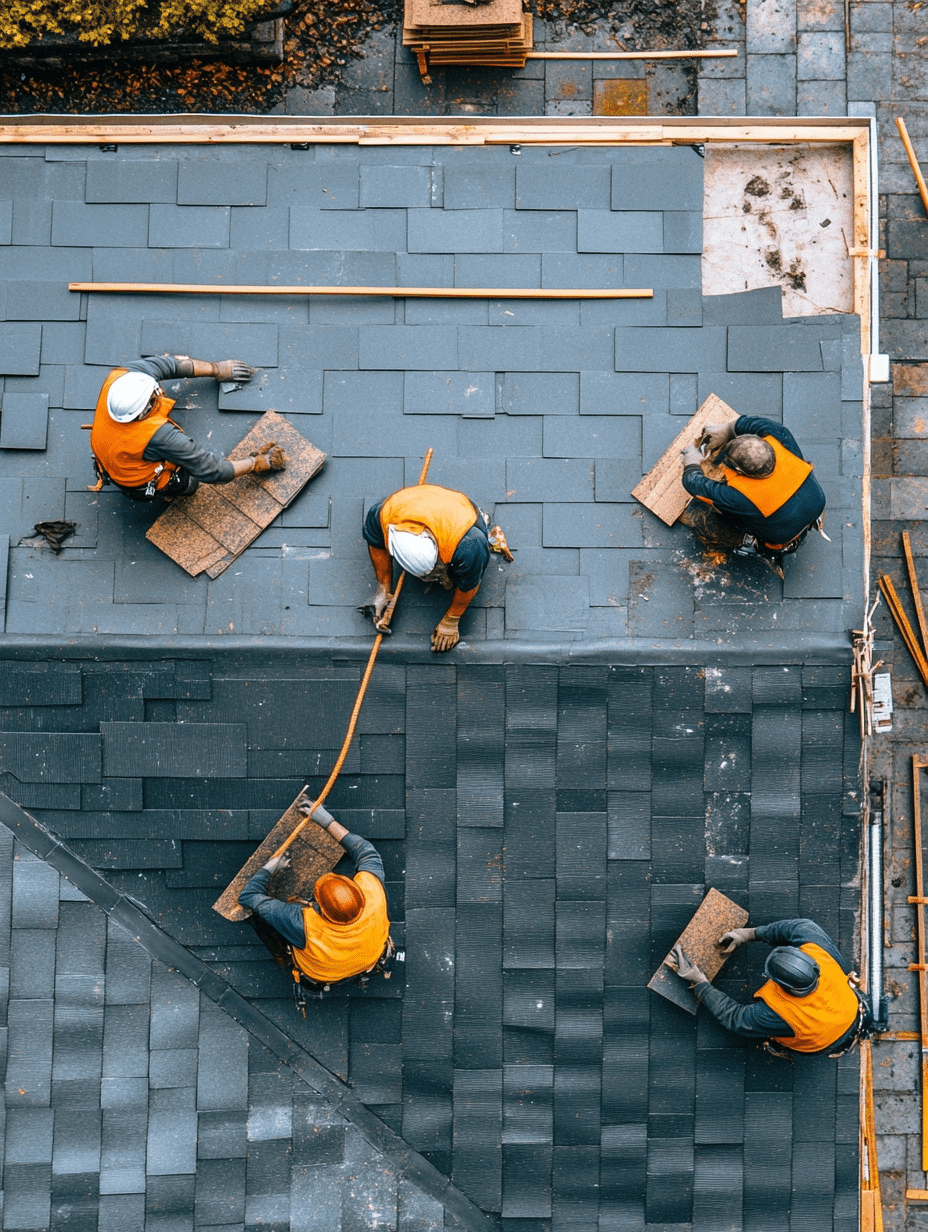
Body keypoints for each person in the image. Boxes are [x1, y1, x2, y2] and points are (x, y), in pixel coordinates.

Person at [90, 354, 285, 501]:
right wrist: (256, 462)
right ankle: (171, 489)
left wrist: (217, 369)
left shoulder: (122, 378)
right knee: (189, 485)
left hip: (111, 450)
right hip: (133, 477)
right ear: (144, 410)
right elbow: (215, 471)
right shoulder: (157, 436)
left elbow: (171, 365)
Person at [238, 802, 390, 987]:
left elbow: (248, 895)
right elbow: (365, 851)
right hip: (368, 956)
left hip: (322, 973)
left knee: (263, 917)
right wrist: (327, 821)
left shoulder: (304, 925)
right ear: (357, 892)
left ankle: (282, 956)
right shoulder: (373, 892)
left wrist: (272, 866)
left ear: (321, 909)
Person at [667, 917, 864, 1057]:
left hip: (823, 1041)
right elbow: (797, 927)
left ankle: (786, 1047)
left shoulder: (780, 1014)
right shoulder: (818, 950)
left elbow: (736, 1018)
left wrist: (699, 982)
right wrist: (749, 934)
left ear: (782, 985)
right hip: (850, 1009)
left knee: (786, 1037)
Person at [362, 483, 511, 653]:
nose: (426, 580)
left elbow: (469, 584)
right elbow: (376, 542)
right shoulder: (383, 515)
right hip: (416, 505)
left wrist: (451, 620)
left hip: (460, 511)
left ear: (440, 554)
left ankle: (484, 521)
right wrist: (383, 589)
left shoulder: (470, 545)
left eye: (431, 575)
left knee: (470, 560)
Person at [679, 415, 826, 578]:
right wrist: (729, 429)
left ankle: (756, 545)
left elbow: (694, 485)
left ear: (740, 471)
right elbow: (761, 425)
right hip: (813, 504)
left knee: (706, 521)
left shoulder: (740, 498)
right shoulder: (783, 440)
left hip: (781, 536)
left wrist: (691, 463)